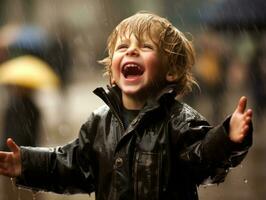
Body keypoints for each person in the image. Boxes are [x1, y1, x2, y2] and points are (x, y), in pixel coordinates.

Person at [0, 11, 253, 200]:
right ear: (112, 72)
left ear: (172, 71)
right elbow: (72, 164)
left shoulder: (179, 122)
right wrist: (27, 164)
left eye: (145, 47)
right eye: (123, 47)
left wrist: (227, 137)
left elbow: (203, 161)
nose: (132, 51)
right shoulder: (99, 123)